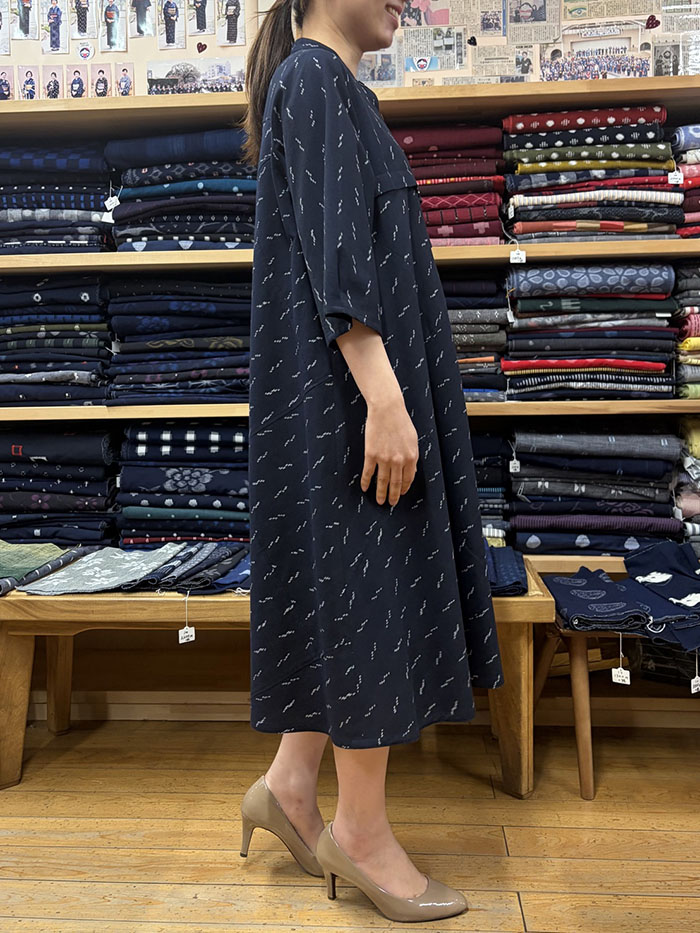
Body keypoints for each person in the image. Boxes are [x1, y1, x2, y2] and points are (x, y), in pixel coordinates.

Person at [239, 0, 502, 925]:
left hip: (345, 393)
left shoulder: (327, 85)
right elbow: (337, 256)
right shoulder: (314, 79)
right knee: (368, 597)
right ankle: (359, 831)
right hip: (348, 399)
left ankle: (290, 783)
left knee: (351, 592)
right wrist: (384, 400)